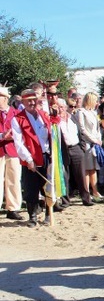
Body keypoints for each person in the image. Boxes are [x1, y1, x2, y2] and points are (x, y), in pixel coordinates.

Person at [11, 89, 52, 226]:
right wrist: (28, 159)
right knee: (31, 188)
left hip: (46, 155)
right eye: (29, 100)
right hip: (31, 157)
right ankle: (32, 216)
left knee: (47, 186)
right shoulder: (18, 119)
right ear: (23, 101)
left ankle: (48, 213)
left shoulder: (44, 115)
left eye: (34, 100)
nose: (32, 103)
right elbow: (19, 143)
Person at [74, 92, 104, 201]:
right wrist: (93, 139)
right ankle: (86, 191)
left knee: (93, 168)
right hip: (86, 143)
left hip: (95, 143)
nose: (97, 103)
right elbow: (82, 129)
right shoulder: (81, 112)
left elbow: (97, 128)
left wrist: (99, 139)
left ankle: (95, 190)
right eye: (95, 100)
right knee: (86, 168)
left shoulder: (93, 112)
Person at [0, 85, 23, 220]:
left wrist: (14, 135)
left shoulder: (15, 113)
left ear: (5, 98)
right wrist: (2, 136)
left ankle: (13, 208)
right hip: (0, 149)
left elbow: (22, 130)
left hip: (13, 150)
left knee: (14, 179)